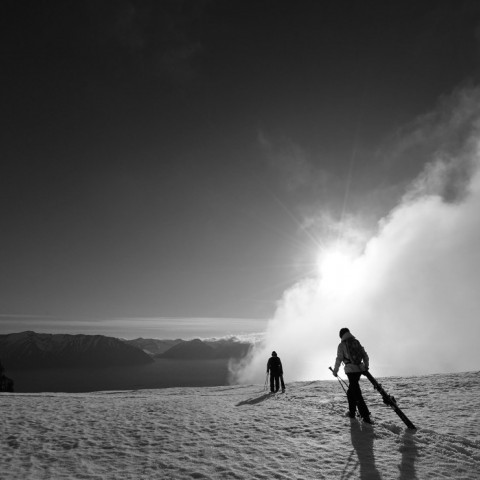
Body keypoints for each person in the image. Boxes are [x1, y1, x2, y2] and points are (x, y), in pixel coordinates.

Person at [332, 328, 372, 423]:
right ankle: (352, 412)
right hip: (359, 370)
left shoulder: (342, 345)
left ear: (341, 335)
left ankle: (365, 416)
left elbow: (339, 359)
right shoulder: (356, 342)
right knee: (351, 391)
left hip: (350, 370)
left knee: (356, 392)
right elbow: (365, 355)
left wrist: (335, 371)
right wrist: (366, 366)